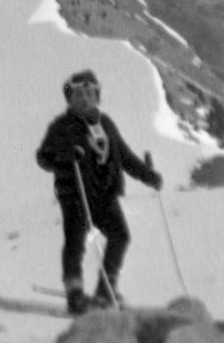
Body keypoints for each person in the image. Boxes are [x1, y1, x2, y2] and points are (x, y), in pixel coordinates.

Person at [35, 69, 162, 314]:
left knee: (120, 236)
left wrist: (149, 176)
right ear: (69, 99)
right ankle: (75, 295)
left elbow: (124, 157)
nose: (84, 99)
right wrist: (65, 153)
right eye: (78, 95)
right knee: (76, 242)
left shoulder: (107, 125)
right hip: (75, 195)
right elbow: (43, 157)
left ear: (97, 96)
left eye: (89, 93)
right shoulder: (61, 126)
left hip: (104, 194)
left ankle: (105, 291)